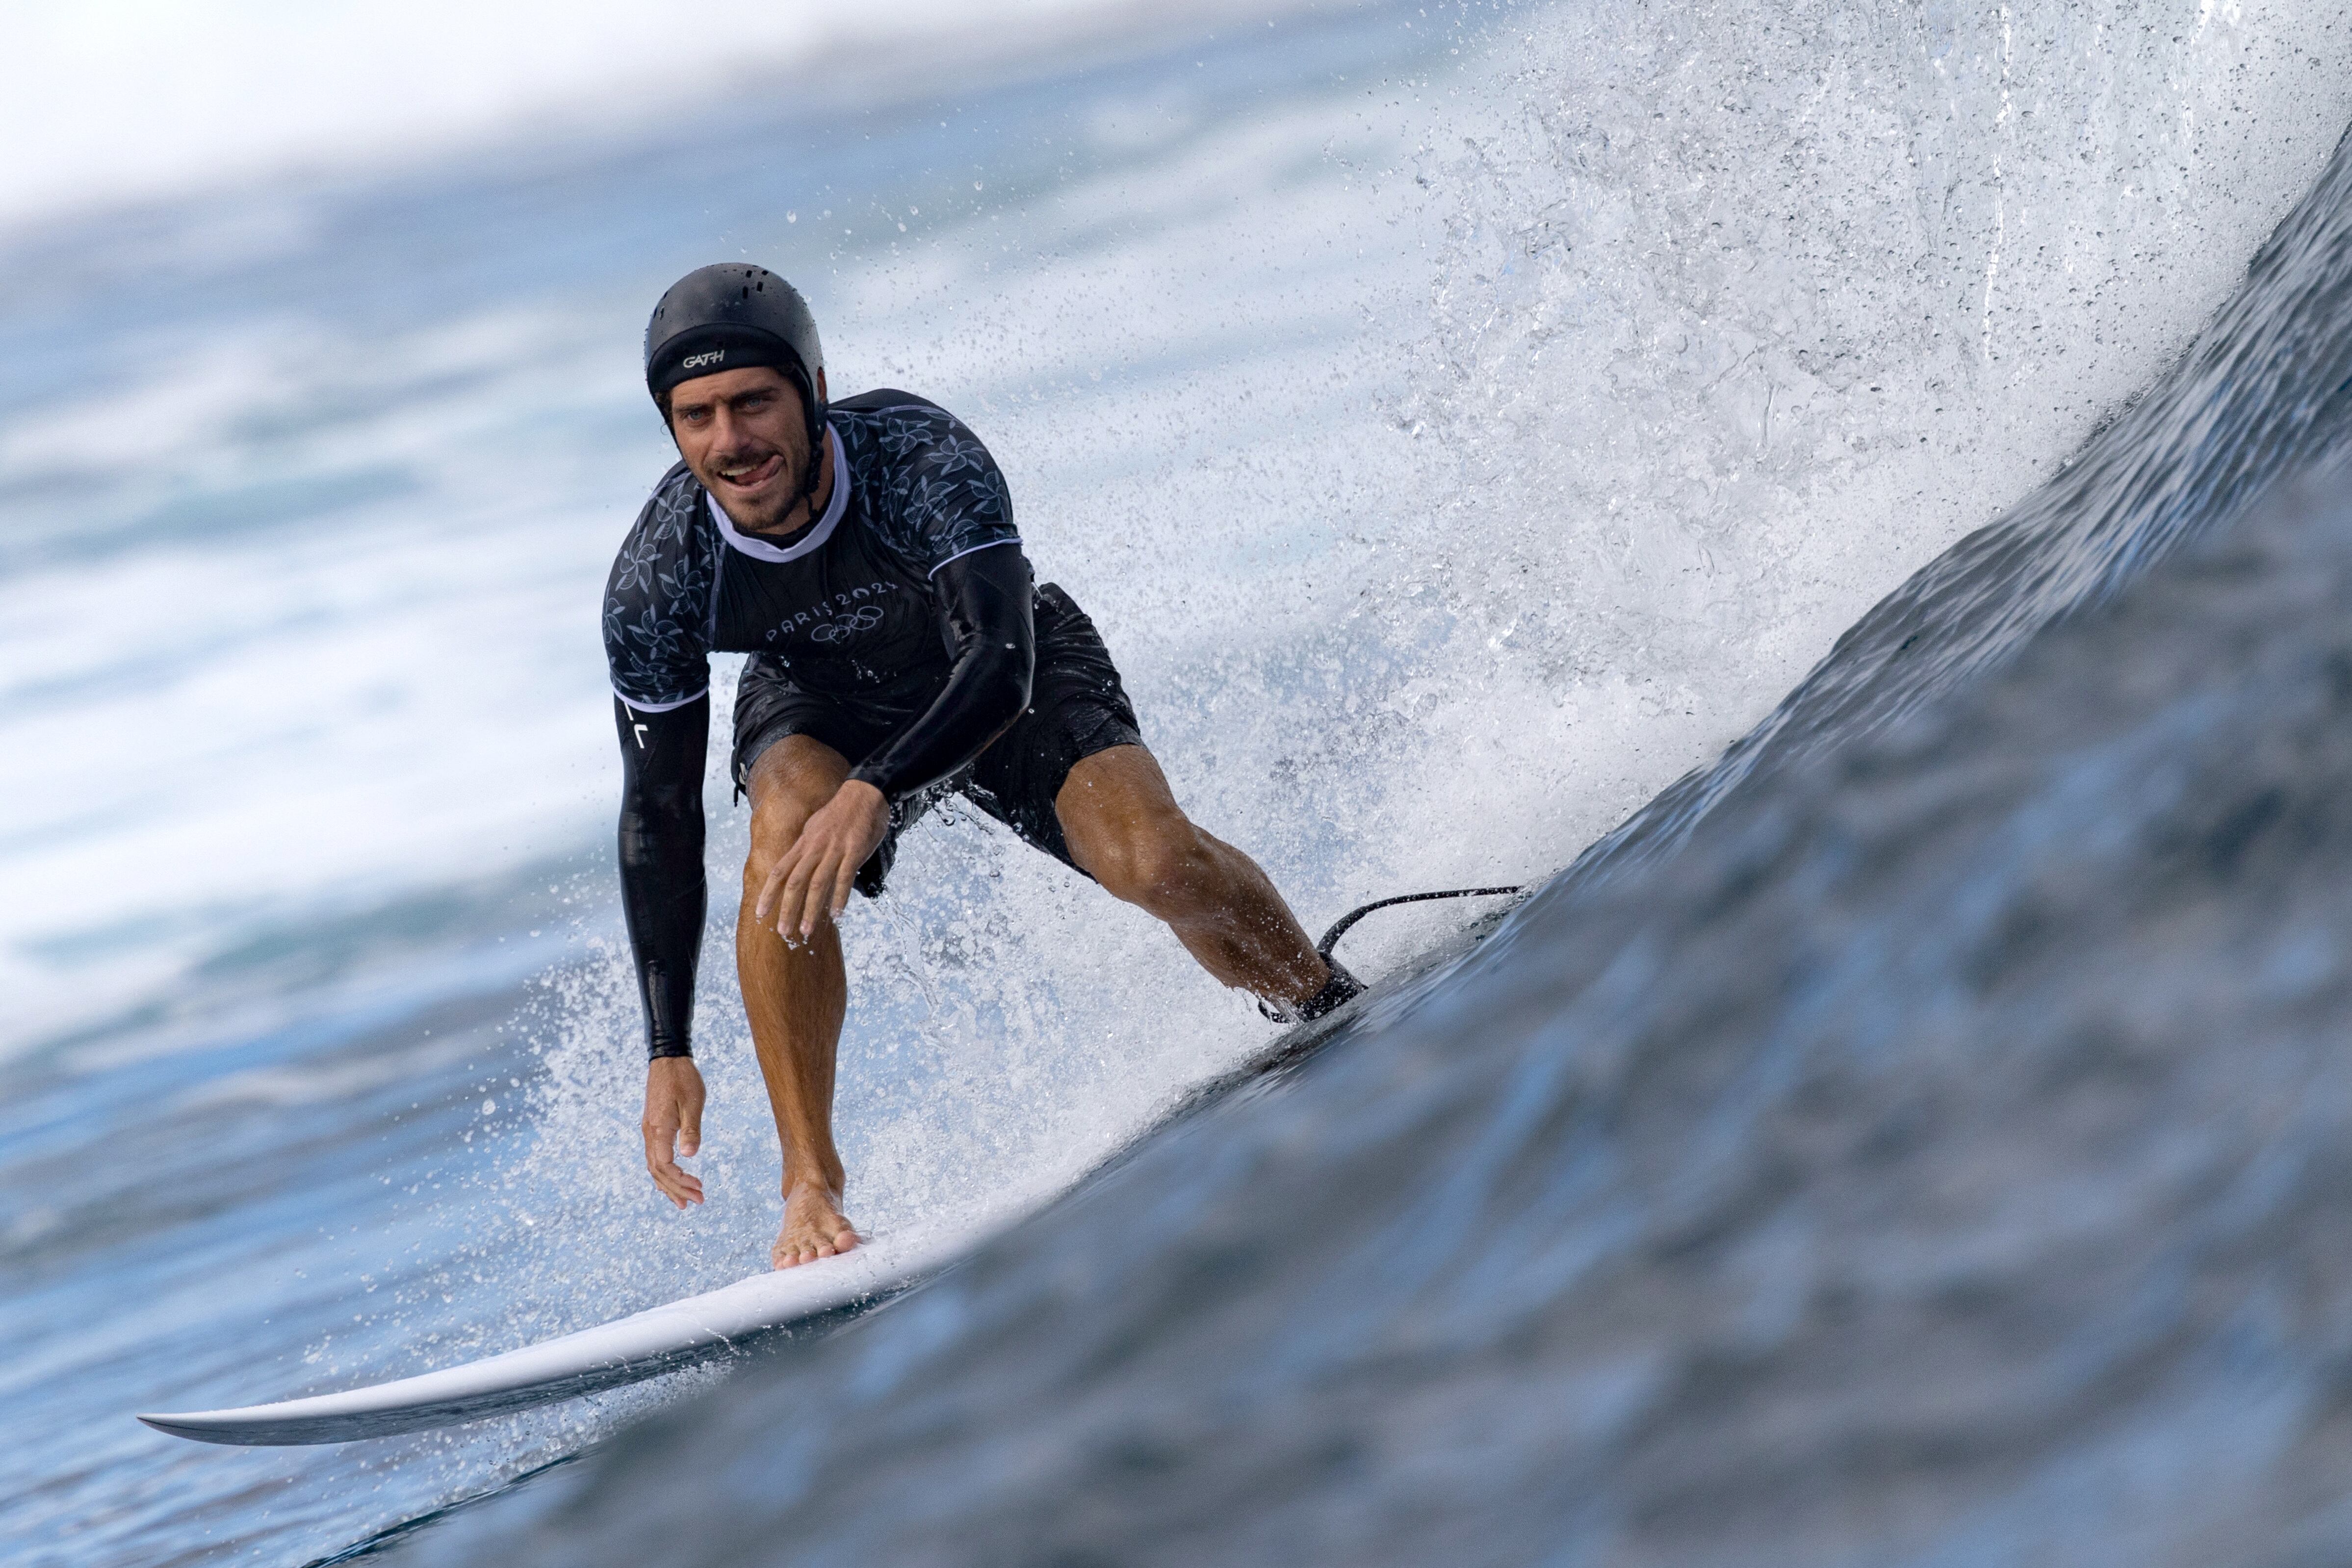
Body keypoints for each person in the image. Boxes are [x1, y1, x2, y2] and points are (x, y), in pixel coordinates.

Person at [606, 263, 1361, 1269]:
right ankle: (811, 1192)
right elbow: (658, 814)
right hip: (820, 699)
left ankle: (1322, 1001)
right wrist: (668, 1049)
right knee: (783, 824)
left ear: (814, 392)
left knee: (1157, 867)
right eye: (697, 416)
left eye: (754, 402)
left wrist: (877, 791)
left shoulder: (919, 458)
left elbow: (998, 665)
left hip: (999, 671)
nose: (730, 441)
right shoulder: (660, 575)